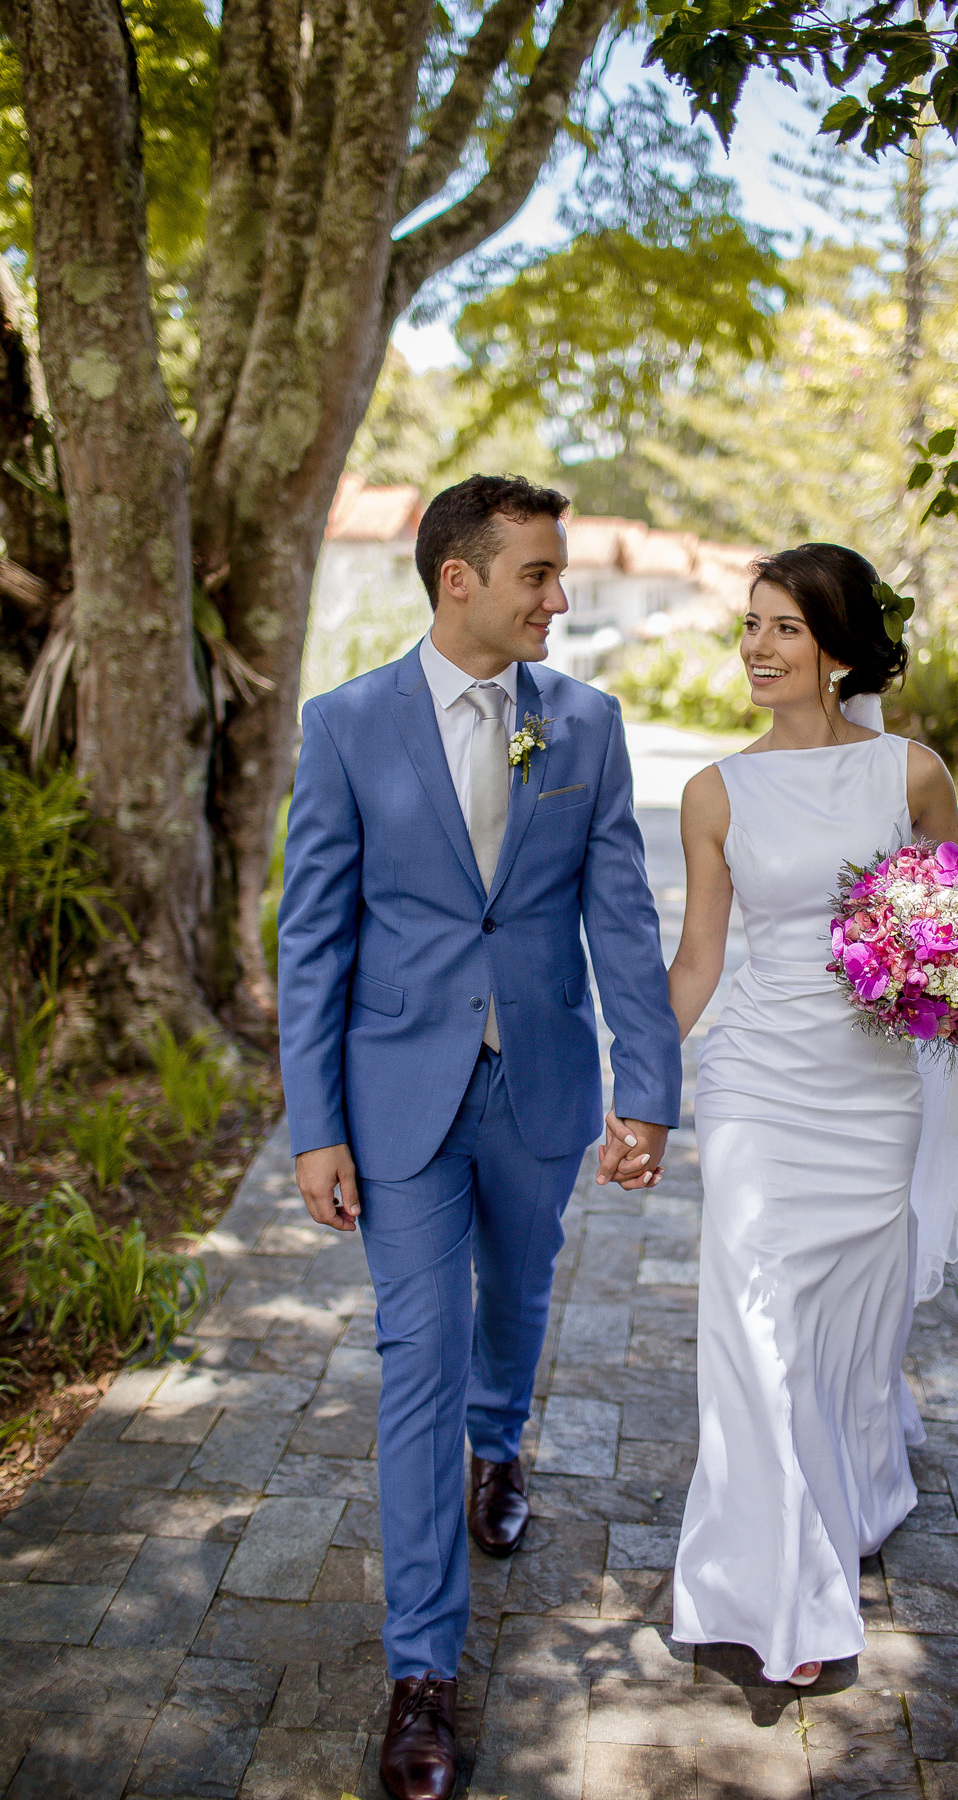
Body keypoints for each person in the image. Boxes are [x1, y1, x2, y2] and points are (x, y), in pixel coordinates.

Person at [277, 473, 682, 1800]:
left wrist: (649, 1087)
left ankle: (501, 1445)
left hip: (541, 1084)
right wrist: (313, 1125)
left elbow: (620, 913)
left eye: (559, 577)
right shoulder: (345, 727)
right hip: (397, 1093)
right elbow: (315, 939)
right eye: (539, 577)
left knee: (514, 1303)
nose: (560, 599)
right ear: (461, 579)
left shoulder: (586, 724)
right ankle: (421, 1676)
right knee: (418, 1363)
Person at [667, 543, 958, 1688]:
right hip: (755, 1085)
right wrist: (635, 1083)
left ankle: (854, 1485)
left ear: (837, 647)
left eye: (783, 627)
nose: (757, 648)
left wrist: (954, 970)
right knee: (748, 1323)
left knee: (849, 1336)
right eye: (750, 626)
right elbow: (697, 961)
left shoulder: (912, 774)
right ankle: (771, 1589)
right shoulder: (715, 791)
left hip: (875, 1092)